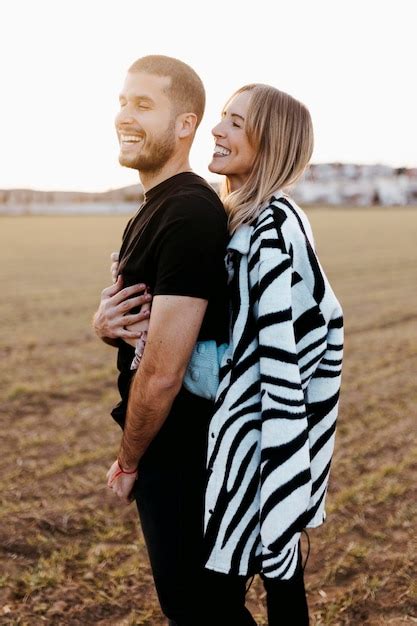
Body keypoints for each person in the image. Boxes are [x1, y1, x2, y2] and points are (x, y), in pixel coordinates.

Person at [92, 55, 257, 626]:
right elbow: (133, 314)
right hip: (175, 450)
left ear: (186, 124)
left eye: (144, 104)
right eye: (122, 101)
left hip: (188, 456)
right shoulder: (154, 208)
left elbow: (162, 371)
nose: (124, 115)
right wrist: (102, 323)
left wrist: (130, 457)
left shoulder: (187, 211)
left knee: (204, 613)